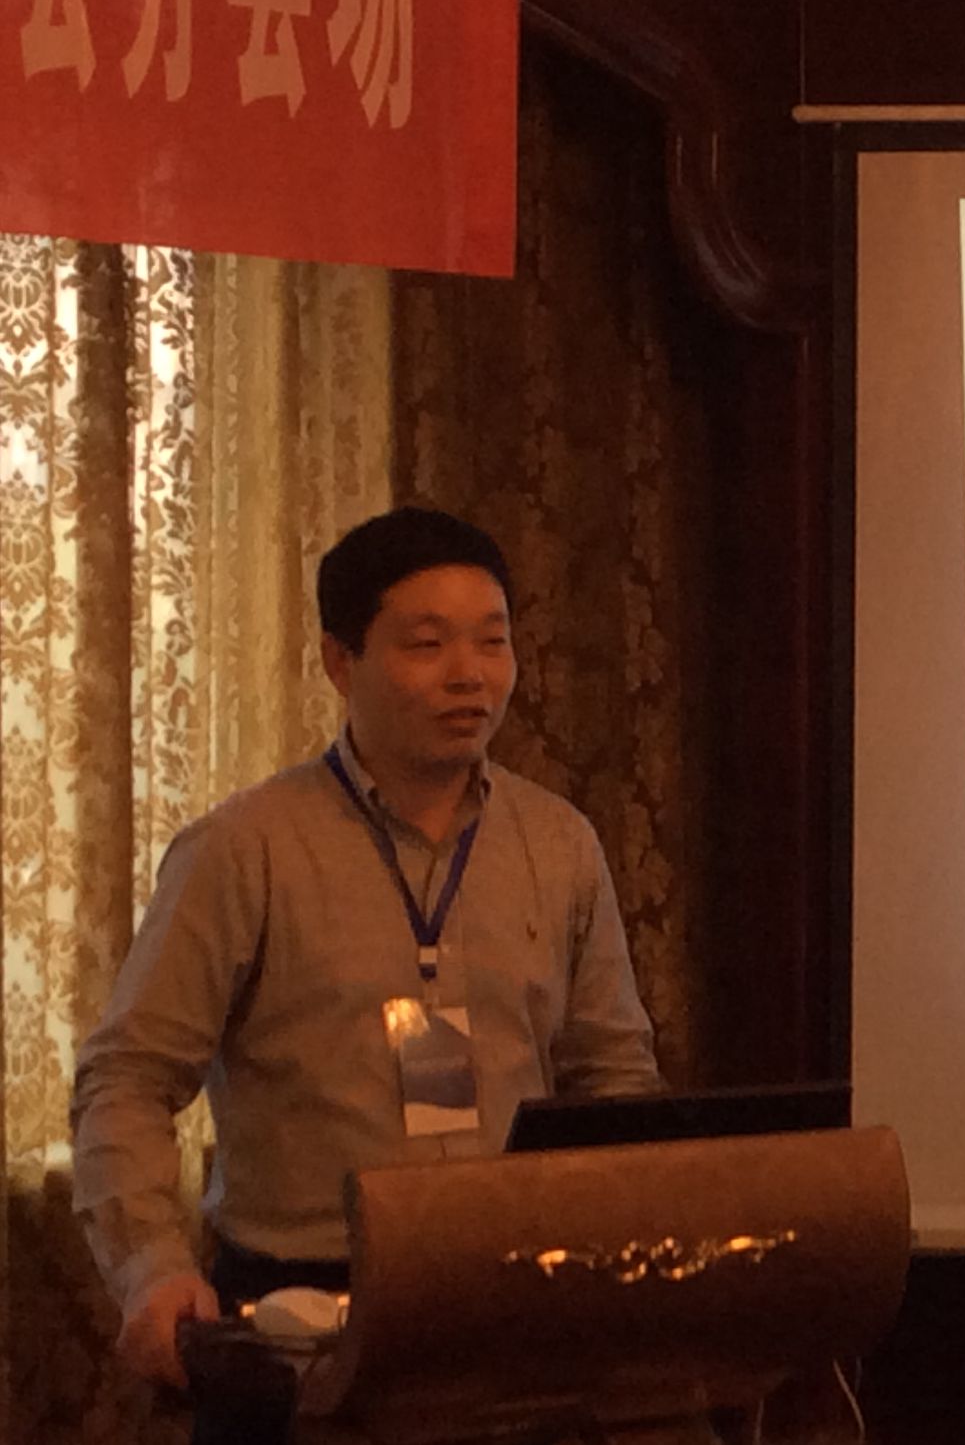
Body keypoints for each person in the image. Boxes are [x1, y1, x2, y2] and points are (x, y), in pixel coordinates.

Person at [71, 507, 664, 1424]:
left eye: (493, 640)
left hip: (510, 1305)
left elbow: (613, 1073)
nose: (469, 673)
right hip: (298, 1314)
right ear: (340, 662)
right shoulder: (245, 848)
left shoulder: (559, 844)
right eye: (428, 643)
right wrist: (153, 1267)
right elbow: (127, 1077)